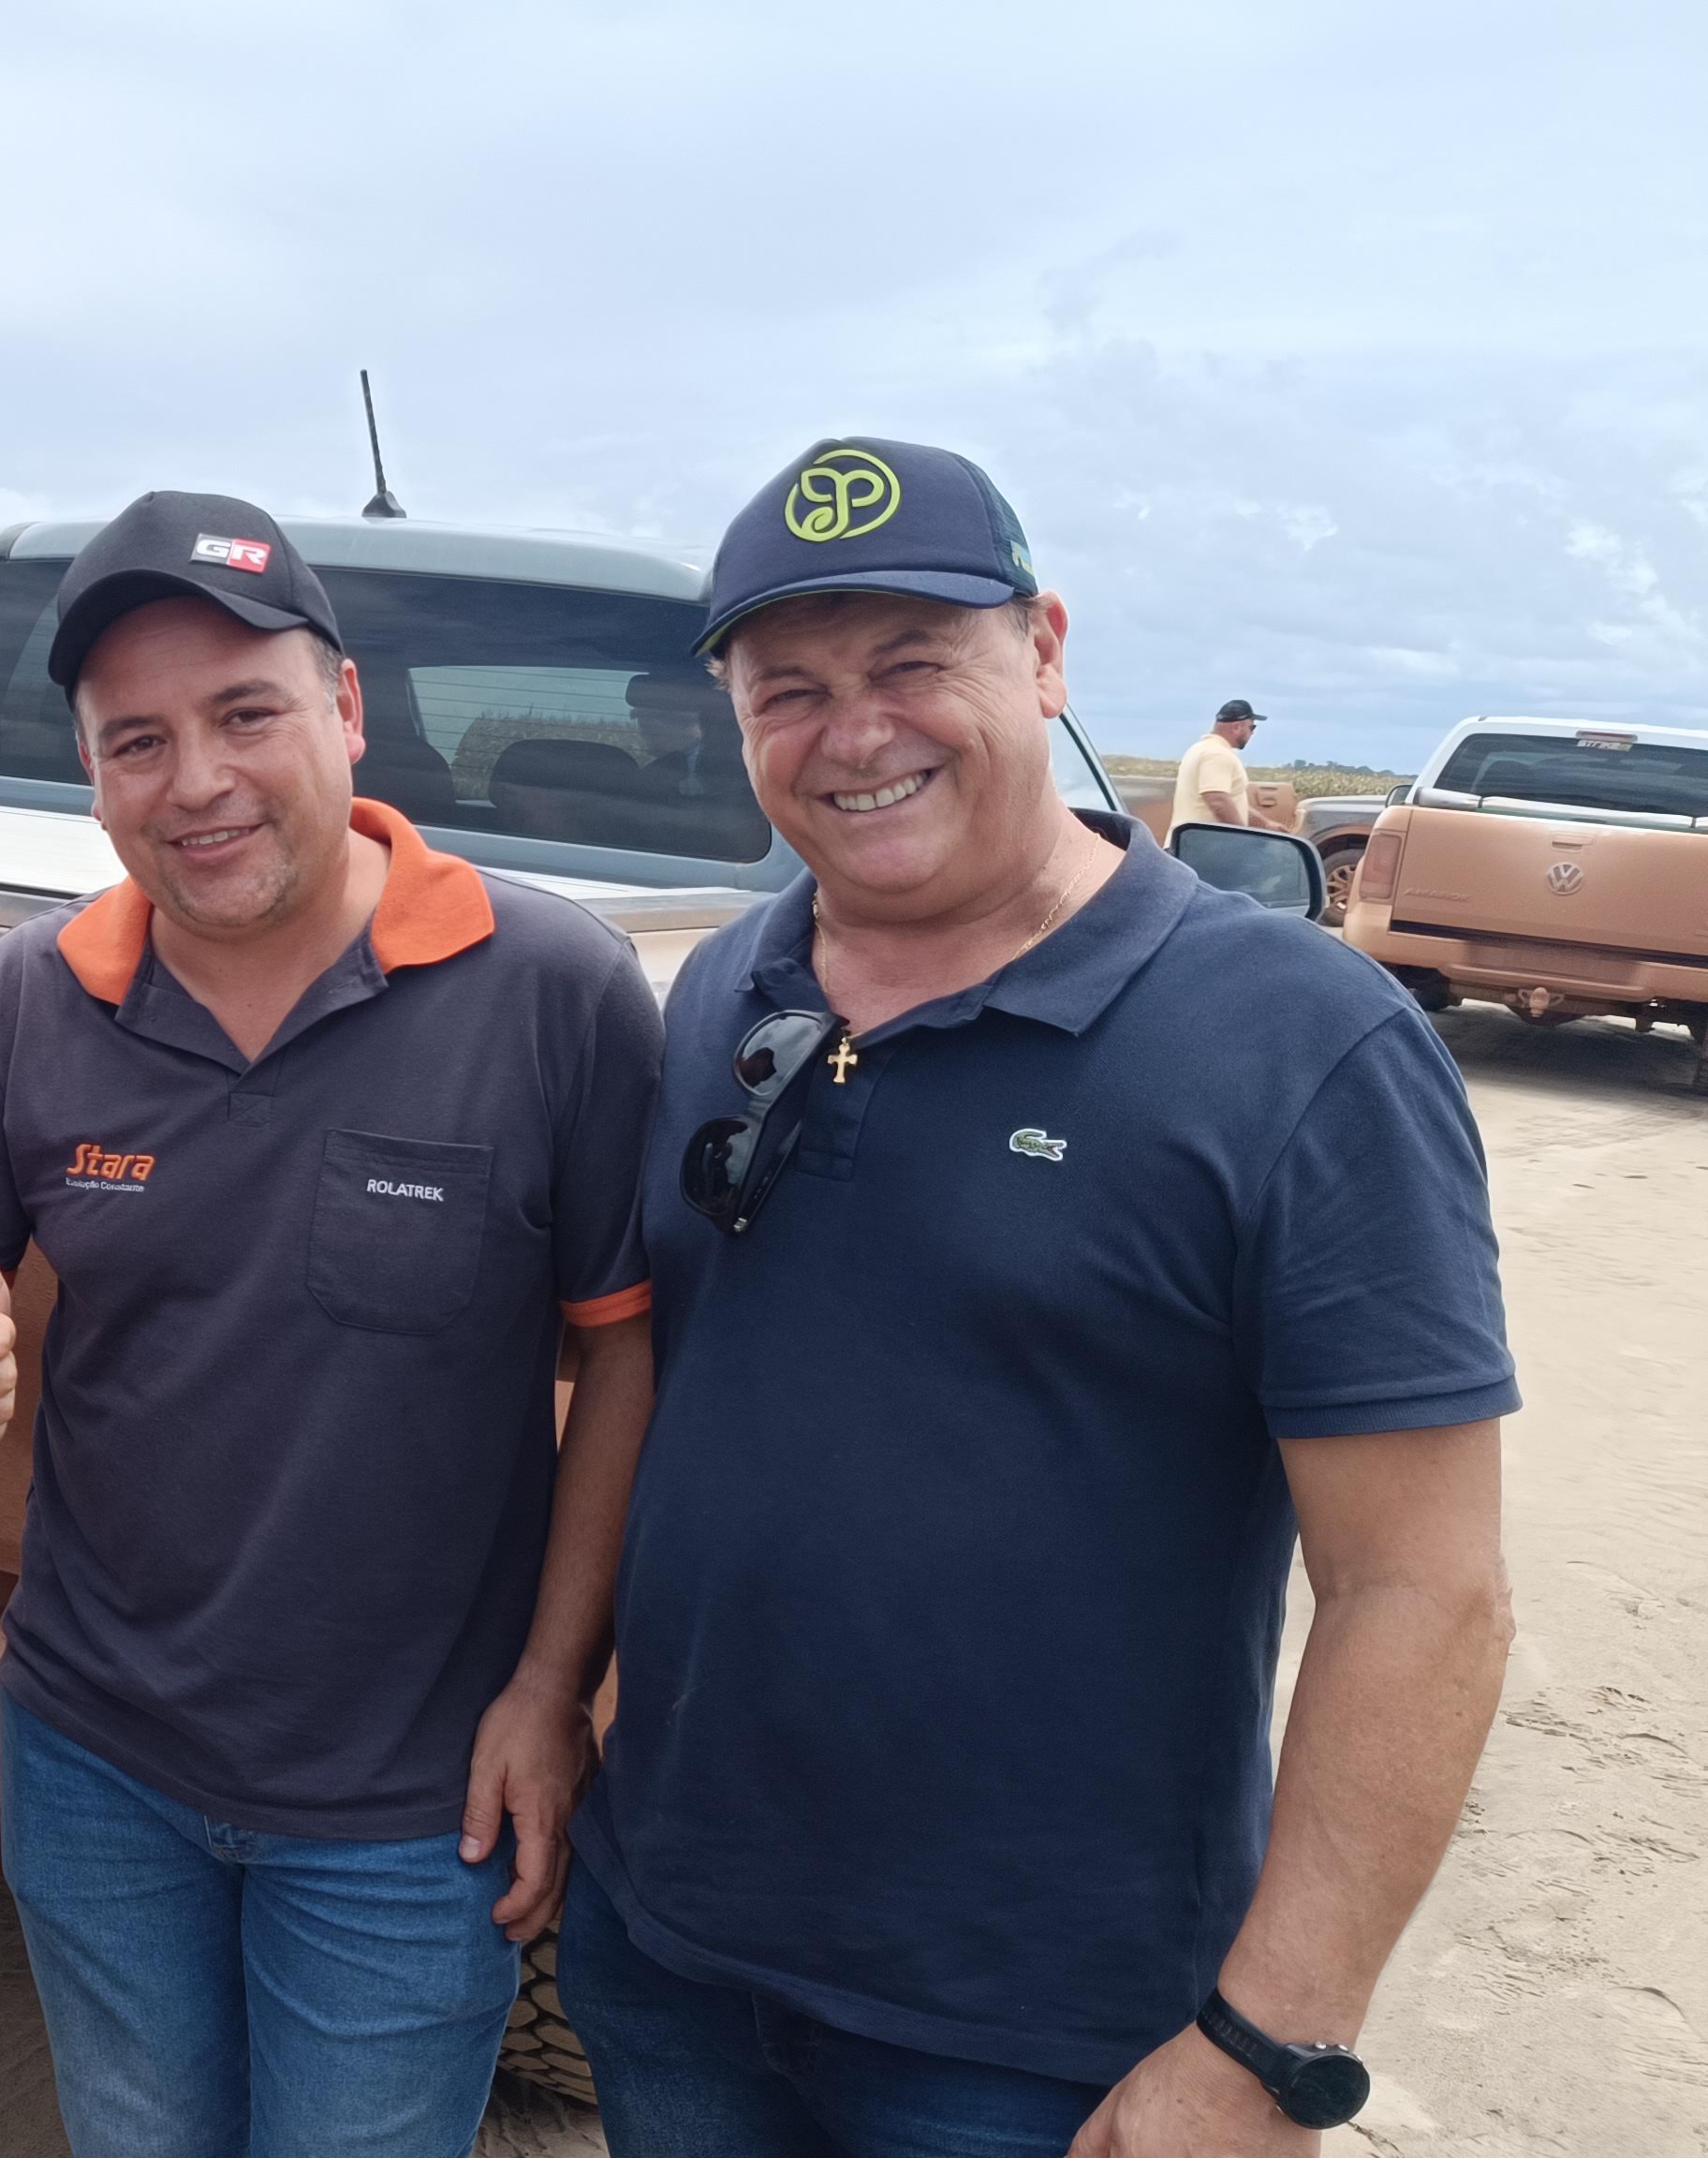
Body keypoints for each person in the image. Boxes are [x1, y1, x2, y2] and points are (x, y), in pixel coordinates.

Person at [562, 436, 1517, 2157]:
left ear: (1047, 649)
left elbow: (1423, 1590)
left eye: (911, 664)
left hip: (1036, 2039)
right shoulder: (727, 980)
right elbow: (671, 1392)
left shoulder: (1300, 1045)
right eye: (789, 689)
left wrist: (1266, 2045)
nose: (853, 733)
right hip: (671, 1951)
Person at [0, 491, 664, 2155]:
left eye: (243, 713)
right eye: (134, 737)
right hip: (92, 1760)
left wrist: (552, 1686)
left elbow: (627, 1349)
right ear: (91, 768)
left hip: (409, 1803)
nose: (194, 780)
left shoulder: (552, 990)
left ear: (342, 710)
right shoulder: (33, 991)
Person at [1177, 697, 1271, 827]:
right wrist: (1241, 835)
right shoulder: (1218, 754)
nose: (1253, 732)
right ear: (1237, 726)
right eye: (1252, 726)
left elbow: (1229, 801)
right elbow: (1218, 800)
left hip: (1190, 842)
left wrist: (1266, 824)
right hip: (1206, 845)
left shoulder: (1200, 749)